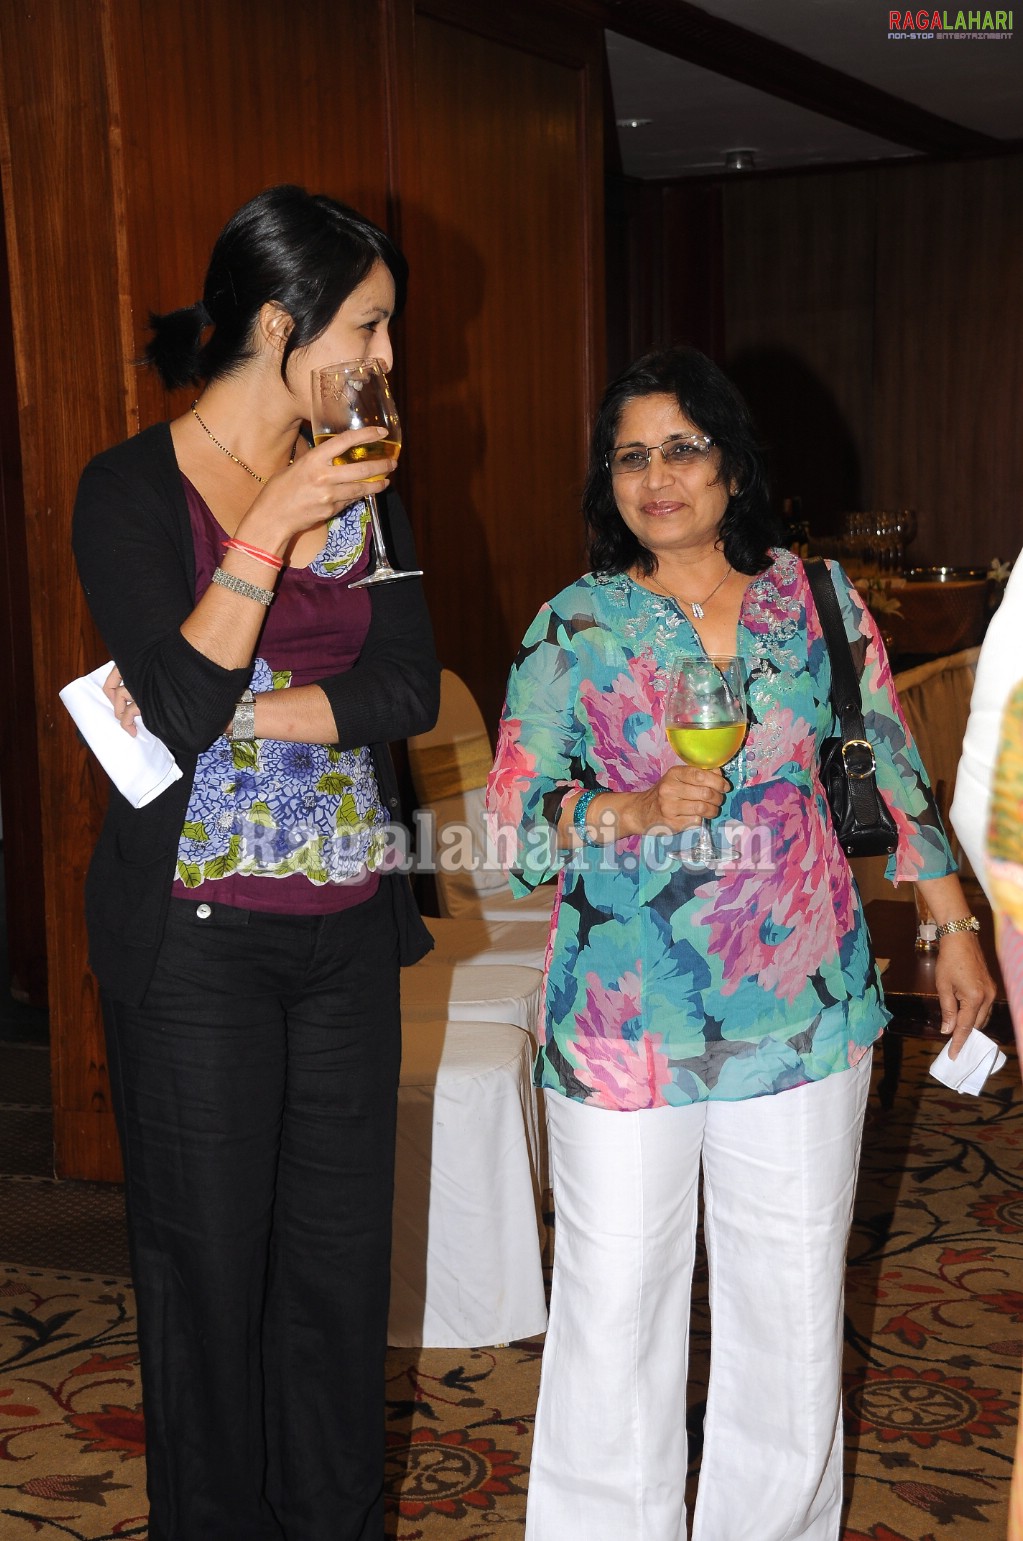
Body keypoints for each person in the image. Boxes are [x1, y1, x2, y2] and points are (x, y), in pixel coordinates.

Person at [486, 346, 995, 1541]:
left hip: (806, 1007)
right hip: (627, 1022)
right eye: (629, 453)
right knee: (613, 1309)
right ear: (606, 479)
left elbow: (889, 761)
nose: (656, 475)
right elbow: (509, 830)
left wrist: (950, 919)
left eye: (682, 446)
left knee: (791, 1304)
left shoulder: (813, 598)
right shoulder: (573, 623)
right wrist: (619, 807)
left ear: (730, 460)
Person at [71, 184, 439, 1541]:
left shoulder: (371, 483)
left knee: (338, 1283)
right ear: (282, 325)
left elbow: (407, 688)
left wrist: (248, 698)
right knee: (207, 1281)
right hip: (195, 949)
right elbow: (155, 714)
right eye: (370, 327)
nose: (387, 361)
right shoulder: (126, 488)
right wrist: (269, 524)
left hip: (347, 933)